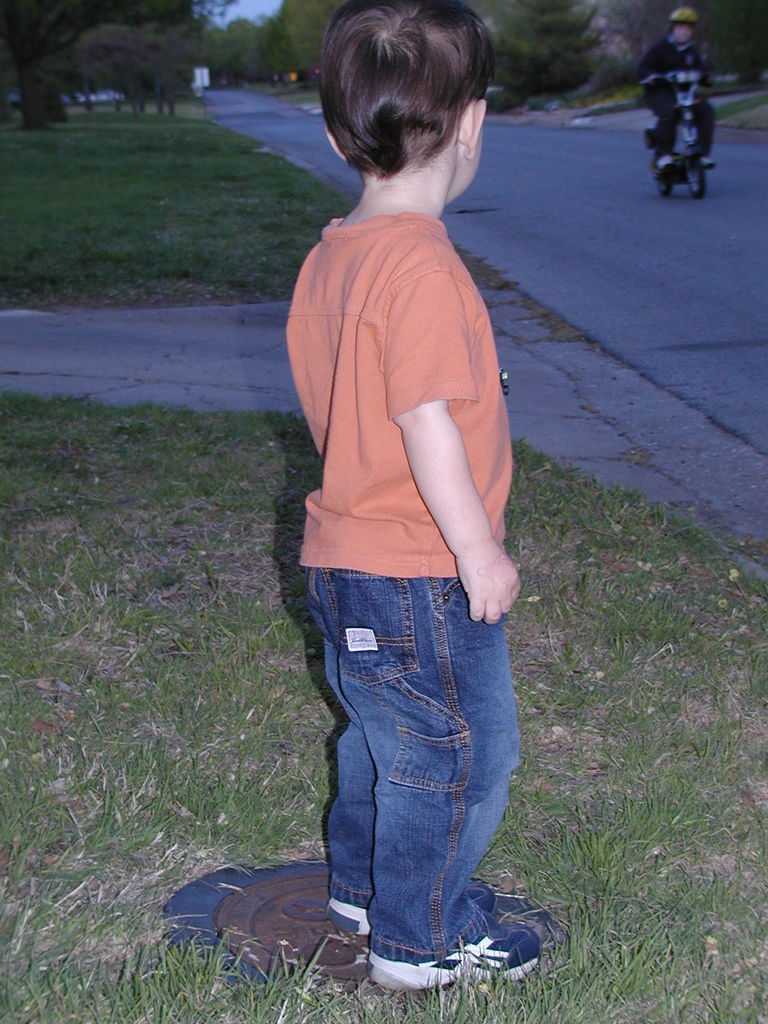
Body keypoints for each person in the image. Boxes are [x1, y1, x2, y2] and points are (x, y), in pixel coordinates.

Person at [286, 0, 541, 993]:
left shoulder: (333, 254)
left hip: (343, 557)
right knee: (461, 756)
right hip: (422, 571)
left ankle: (359, 884)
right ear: (473, 124)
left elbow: (340, 408)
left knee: (379, 734)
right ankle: (418, 938)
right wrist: (478, 550)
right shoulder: (423, 265)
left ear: (334, 129)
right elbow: (427, 420)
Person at [639, 6, 715, 169]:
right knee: (669, 112)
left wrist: (706, 77)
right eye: (680, 27)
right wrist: (652, 77)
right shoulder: (660, 48)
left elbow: (702, 70)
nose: (684, 32)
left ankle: (703, 154)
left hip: (685, 93)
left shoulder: (692, 51)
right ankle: (663, 156)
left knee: (706, 110)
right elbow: (644, 67)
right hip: (660, 92)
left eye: (688, 28)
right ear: (672, 28)